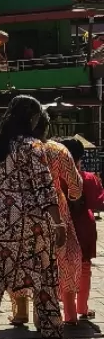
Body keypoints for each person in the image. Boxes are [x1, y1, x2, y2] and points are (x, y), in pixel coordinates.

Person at [0, 94, 68, 339]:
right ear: (31, 118)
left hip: (0, 219)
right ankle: (51, 334)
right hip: (33, 222)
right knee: (44, 278)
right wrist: (58, 222)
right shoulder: (33, 147)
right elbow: (44, 188)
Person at [7, 114, 83, 330]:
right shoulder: (58, 150)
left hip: (18, 213)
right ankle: (45, 314)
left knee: (20, 260)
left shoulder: (11, 150)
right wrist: (72, 197)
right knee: (58, 260)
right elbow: (76, 187)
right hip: (54, 212)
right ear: (46, 128)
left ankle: (20, 311)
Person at [64, 136, 102, 323]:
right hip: (85, 227)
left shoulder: (55, 179)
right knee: (84, 268)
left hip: (62, 227)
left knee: (64, 268)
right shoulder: (89, 178)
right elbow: (98, 203)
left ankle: (69, 314)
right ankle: (82, 309)